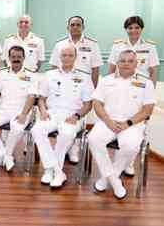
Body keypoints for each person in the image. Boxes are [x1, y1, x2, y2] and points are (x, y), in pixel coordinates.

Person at [88, 50, 155, 199]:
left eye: (130, 61)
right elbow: (97, 103)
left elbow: (147, 109)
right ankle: (115, 181)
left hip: (132, 124)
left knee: (131, 146)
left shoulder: (146, 83)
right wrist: (108, 120)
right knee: (93, 139)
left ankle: (106, 178)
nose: (126, 64)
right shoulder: (106, 80)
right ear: (117, 63)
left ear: (136, 63)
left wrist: (128, 123)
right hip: (107, 121)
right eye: (122, 61)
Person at [31, 44, 94, 188]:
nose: (67, 58)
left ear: (75, 57)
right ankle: (55, 171)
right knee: (36, 129)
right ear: (60, 57)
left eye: (70, 55)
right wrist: (43, 111)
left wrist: (77, 116)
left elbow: (88, 104)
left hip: (73, 115)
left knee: (66, 134)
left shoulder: (84, 77)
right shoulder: (50, 75)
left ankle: (51, 170)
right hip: (52, 112)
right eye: (64, 55)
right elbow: (41, 98)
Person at [107, 16, 159, 177]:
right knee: (119, 125)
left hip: (140, 92)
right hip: (120, 89)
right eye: (130, 28)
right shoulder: (118, 46)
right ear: (126, 29)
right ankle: (118, 164)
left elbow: (153, 71)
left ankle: (128, 164)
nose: (133, 30)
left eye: (136, 27)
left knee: (135, 128)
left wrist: (150, 94)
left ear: (141, 29)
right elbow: (111, 68)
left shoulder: (149, 47)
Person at [49, 16, 102, 164]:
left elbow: (95, 69)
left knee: (79, 119)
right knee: (63, 120)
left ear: (83, 27)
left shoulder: (92, 44)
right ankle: (62, 149)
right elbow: (54, 66)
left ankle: (74, 149)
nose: (75, 27)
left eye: (78, 25)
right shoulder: (60, 44)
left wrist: (93, 92)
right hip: (63, 87)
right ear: (68, 27)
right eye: (72, 25)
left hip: (82, 88)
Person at [0, 45, 38, 171]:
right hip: (3, 110)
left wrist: (23, 114)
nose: (16, 59)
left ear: (23, 58)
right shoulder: (1, 73)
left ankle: (5, 155)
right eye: (13, 57)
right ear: (9, 58)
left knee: (17, 128)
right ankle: (4, 155)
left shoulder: (32, 74)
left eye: (19, 57)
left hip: (21, 111)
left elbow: (31, 97)